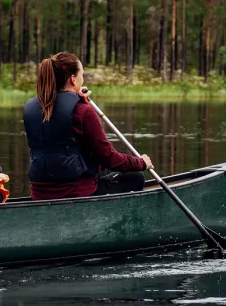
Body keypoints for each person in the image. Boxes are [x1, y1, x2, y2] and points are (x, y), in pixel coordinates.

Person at [22, 51, 152, 200]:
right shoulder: (82, 110)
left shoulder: (30, 108)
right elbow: (108, 157)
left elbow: (58, 139)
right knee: (135, 177)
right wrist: (140, 163)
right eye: (81, 75)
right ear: (72, 79)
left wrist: (78, 99)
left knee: (101, 171)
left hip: (39, 193)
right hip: (75, 192)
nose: (82, 80)